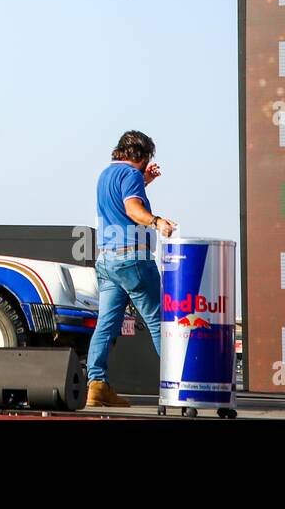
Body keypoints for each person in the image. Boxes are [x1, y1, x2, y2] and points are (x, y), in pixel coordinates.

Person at [85, 129, 177, 408]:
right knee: (159, 323)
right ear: (141, 155)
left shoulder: (105, 175)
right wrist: (157, 221)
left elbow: (120, 202)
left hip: (107, 260)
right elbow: (133, 209)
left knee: (105, 325)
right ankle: (178, 384)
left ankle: (96, 386)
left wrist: (143, 180)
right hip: (133, 259)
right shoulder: (131, 175)